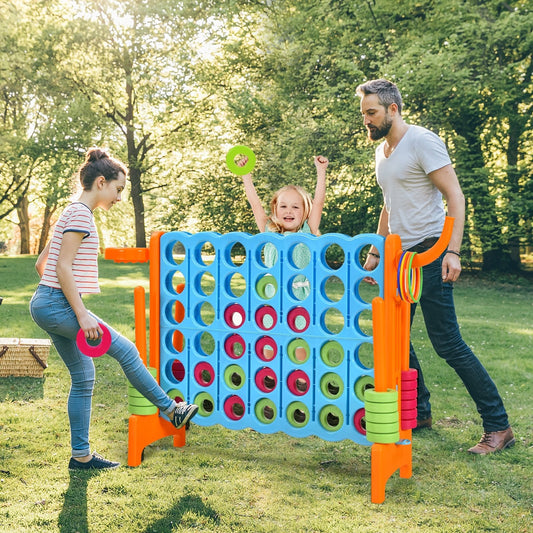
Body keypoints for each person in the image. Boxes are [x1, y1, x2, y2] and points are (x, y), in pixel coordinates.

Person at [356, 79, 514, 455]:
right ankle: (420, 412)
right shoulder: (383, 151)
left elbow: (454, 195)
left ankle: (498, 427)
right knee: (396, 339)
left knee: (447, 344)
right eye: (364, 113)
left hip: (430, 252)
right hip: (399, 257)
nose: (366, 120)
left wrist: (452, 251)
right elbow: (389, 204)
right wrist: (377, 253)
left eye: (371, 112)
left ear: (393, 109)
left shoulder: (422, 141)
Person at [30, 148, 198, 471]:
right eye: (118, 190)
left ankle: (81, 456)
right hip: (54, 304)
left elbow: (43, 265)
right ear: (101, 182)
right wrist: (78, 312)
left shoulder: (69, 212)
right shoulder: (81, 215)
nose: (119, 198)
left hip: (45, 303)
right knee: (127, 350)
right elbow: (62, 267)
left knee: (83, 375)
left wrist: (58, 300)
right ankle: (169, 409)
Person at [240, 155, 328, 300]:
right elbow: (255, 203)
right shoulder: (269, 231)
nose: (289, 211)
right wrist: (246, 175)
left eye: (295, 207)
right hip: (272, 296)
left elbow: (318, 203)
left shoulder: (307, 232)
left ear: (306, 211)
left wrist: (321, 171)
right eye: (283, 206)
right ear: (275, 209)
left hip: (299, 299)